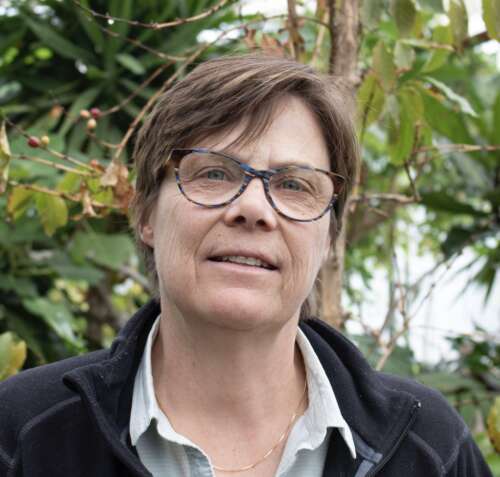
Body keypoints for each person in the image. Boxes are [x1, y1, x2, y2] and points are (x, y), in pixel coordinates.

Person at [0, 54, 492, 477]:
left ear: (328, 238)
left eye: (295, 185)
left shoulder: (430, 449)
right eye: (214, 173)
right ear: (146, 214)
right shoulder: (24, 434)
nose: (254, 208)